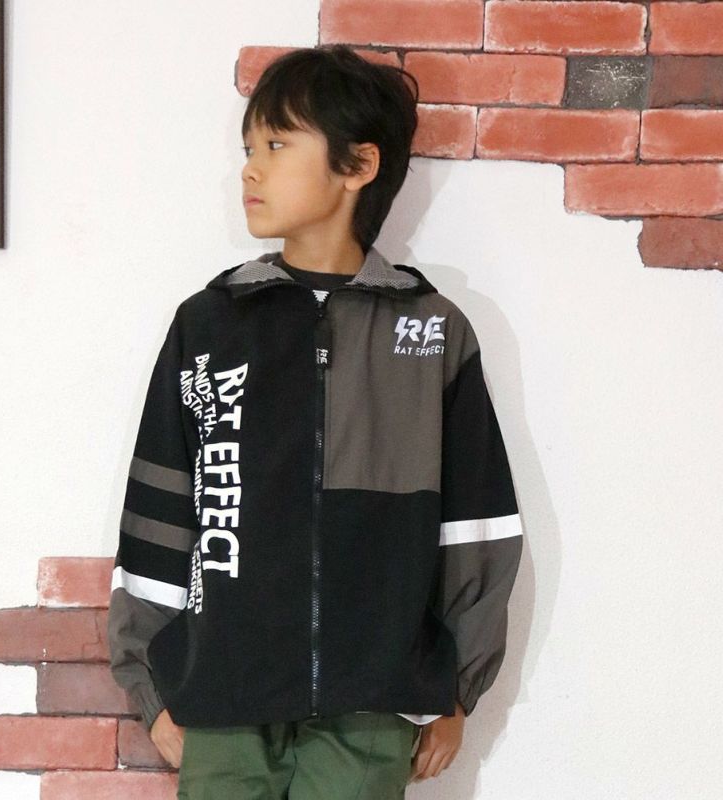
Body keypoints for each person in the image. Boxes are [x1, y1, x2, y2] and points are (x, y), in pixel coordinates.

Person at [107, 44, 523, 799]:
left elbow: (478, 524)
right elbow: (160, 510)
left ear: (358, 164)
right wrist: (150, 684)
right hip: (224, 697)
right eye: (248, 149)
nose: (250, 170)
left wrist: (457, 686)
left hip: (373, 701)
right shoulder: (209, 325)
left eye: (276, 145)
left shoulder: (432, 333)